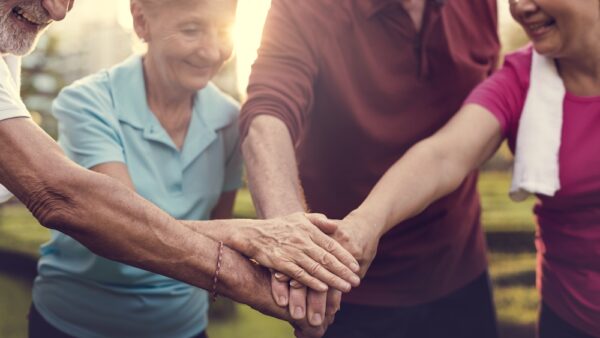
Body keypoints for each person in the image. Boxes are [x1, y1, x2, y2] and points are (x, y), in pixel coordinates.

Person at [0, 1, 358, 335]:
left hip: (183, 327)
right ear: (142, 21)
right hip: (75, 326)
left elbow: (184, 225)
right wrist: (250, 249)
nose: (212, 51)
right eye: (190, 30)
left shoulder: (230, 120)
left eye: (223, 31)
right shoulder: (88, 100)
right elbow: (110, 224)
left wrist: (286, 268)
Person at [312, 0, 600, 337]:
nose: (521, 7)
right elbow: (442, 156)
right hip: (571, 321)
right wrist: (365, 223)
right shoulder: (520, 81)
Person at [240, 0, 501, 337]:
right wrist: (293, 240)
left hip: (460, 275)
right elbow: (267, 115)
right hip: (345, 285)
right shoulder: (304, 7)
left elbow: (479, 121)